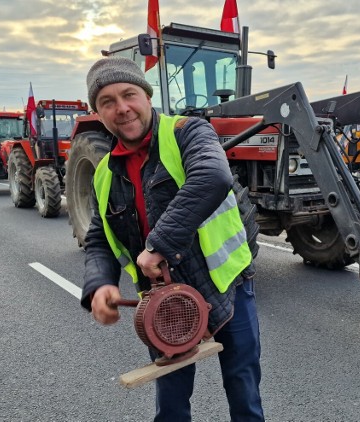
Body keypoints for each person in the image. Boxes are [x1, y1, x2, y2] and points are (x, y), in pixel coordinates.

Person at [80, 56, 265, 422]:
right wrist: (99, 284)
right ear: (98, 114)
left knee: (244, 394)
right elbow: (100, 237)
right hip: (165, 306)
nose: (122, 108)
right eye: (107, 102)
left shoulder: (188, 132)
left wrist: (157, 246)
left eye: (128, 94)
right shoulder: (104, 173)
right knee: (172, 404)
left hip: (226, 289)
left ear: (147, 96)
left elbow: (213, 177)